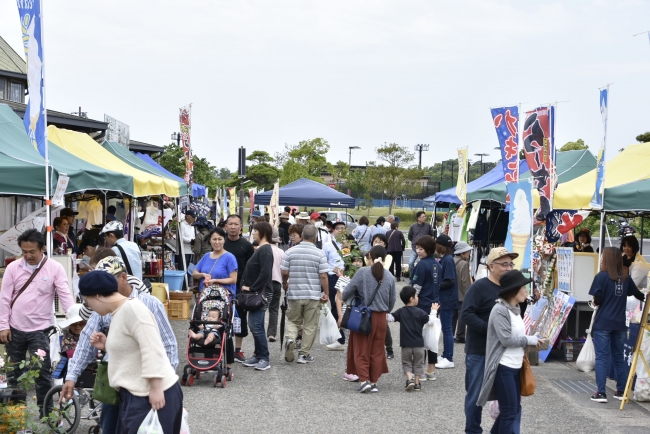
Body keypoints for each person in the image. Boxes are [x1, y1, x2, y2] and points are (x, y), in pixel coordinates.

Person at [62, 255, 178, 433]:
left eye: (89, 302)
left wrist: (157, 387)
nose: (90, 308)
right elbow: (89, 341)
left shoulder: (138, 307)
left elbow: (154, 348)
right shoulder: (116, 310)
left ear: (99, 295)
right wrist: (107, 346)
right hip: (127, 388)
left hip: (146, 391)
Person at [0, 229, 73, 408]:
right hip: (14, 329)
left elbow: (65, 296)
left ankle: (46, 413)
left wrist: (74, 320)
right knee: (13, 373)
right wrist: (3, 326)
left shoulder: (54, 268)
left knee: (41, 373)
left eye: (32, 251)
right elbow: (4, 298)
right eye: (24, 252)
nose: (28, 255)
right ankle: (15, 413)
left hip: (41, 330)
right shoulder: (12, 268)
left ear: (43, 249)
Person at [461, 247, 518, 434]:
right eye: (504, 264)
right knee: (476, 394)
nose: (509, 268)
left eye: (511, 264)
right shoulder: (479, 287)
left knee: (509, 397)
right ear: (491, 266)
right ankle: (473, 430)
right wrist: (491, 330)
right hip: (479, 351)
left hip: (504, 352)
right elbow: (466, 314)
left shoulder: (510, 289)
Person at [477, 270, 543, 433]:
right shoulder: (500, 310)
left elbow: (516, 337)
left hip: (515, 366)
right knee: (509, 412)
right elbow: (506, 339)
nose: (526, 291)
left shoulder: (515, 308)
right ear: (514, 290)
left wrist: (532, 340)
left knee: (511, 410)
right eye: (523, 288)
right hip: (503, 367)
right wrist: (530, 340)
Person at [589, 247, 646, 403]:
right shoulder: (626, 278)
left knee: (601, 357)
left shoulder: (601, 277)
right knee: (619, 357)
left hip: (603, 323)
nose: (601, 259)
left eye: (602, 256)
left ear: (607, 259)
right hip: (620, 323)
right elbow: (638, 295)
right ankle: (621, 391)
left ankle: (601, 393)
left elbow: (598, 300)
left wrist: (595, 300)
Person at [342, 245, 396, 393]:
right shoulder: (390, 276)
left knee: (361, 349)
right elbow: (392, 300)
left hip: (364, 316)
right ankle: (373, 382)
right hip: (381, 318)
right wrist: (385, 311)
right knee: (377, 350)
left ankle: (364, 380)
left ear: (370, 257)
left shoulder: (362, 272)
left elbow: (347, 292)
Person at [282, 225, 329, 364]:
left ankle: (290, 339)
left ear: (302, 236)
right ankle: (304, 354)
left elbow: (284, 272)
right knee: (310, 325)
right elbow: (324, 276)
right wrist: (326, 292)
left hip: (295, 293)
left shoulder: (290, 252)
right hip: (312, 294)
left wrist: (285, 283)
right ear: (315, 238)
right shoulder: (319, 253)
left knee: (293, 320)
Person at [387, 286, 439, 392]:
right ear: (411, 298)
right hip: (419, 345)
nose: (418, 297)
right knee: (418, 364)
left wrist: (382, 311)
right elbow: (431, 321)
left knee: (406, 363)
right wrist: (433, 311)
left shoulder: (401, 311)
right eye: (416, 295)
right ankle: (417, 383)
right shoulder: (420, 312)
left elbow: (390, 318)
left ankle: (409, 379)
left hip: (406, 344)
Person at [238, 221, 274, 371]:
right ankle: (258, 355)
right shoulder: (261, 249)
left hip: (261, 293)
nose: (253, 233)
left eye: (255, 231)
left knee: (256, 325)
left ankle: (264, 357)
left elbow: (265, 273)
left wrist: (252, 287)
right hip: (256, 292)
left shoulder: (265, 249)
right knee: (255, 325)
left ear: (262, 232)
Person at [223, 214, 255, 362]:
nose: (233, 227)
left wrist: (247, 285)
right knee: (219, 315)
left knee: (240, 317)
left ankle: (238, 349)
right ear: (226, 226)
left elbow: (251, 267)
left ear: (241, 226)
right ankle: (219, 346)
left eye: (236, 224)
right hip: (222, 284)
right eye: (231, 224)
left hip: (240, 287)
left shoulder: (247, 246)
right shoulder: (221, 243)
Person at [410, 235, 440, 380]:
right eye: (417, 248)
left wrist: (411, 301)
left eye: (421, 248)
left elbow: (416, 287)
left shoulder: (421, 264)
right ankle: (431, 370)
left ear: (428, 249)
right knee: (432, 339)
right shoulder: (437, 264)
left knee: (420, 338)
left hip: (422, 305)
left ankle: (419, 371)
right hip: (434, 305)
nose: (418, 251)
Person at [366, 233, 394, 359]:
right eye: (375, 241)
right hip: (369, 290)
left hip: (382, 288)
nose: (377, 243)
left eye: (381, 241)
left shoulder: (387, 257)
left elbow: (385, 269)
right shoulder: (367, 256)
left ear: (385, 244)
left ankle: (389, 348)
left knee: (383, 324)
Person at [435, 234, 458, 370]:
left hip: (447, 299)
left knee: (447, 330)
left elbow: (450, 280)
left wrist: (436, 284)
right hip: (446, 298)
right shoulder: (447, 259)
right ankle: (445, 355)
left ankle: (449, 357)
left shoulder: (448, 260)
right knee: (446, 329)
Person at [192, 227, 238, 293]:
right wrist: (203, 275)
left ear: (224, 240)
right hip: (205, 298)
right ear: (210, 240)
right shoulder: (206, 256)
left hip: (223, 299)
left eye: (220, 239)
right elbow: (194, 273)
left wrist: (215, 281)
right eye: (214, 239)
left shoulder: (230, 257)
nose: (217, 242)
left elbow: (233, 279)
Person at [267, 227, 286, 342]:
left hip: (263, 283)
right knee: (274, 309)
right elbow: (284, 270)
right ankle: (272, 333)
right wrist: (285, 282)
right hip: (277, 282)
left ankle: (259, 330)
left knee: (260, 308)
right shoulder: (281, 252)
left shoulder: (261, 249)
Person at [453, 241, 473, 344]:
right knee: (461, 314)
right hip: (461, 294)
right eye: (467, 251)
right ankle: (460, 336)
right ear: (462, 252)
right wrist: (469, 294)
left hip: (452, 294)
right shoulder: (464, 264)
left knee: (453, 314)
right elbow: (465, 281)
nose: (469, 253)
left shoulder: (451, 260)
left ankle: (450, 333)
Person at [408, 211, 432, 277]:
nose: (425, 218)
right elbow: (410, 236)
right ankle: (412, 276)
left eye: (425, 216)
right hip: (415, 248)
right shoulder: (413, 226)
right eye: (423, 216)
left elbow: (431, 236)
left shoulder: (428, 226)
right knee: (411, 262)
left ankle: (421, 276)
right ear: (419, 218)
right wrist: (414, 242)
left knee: (423, 263)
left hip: (425, 248)